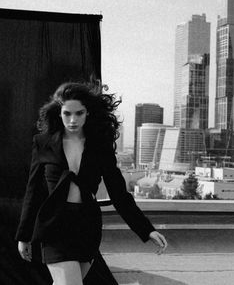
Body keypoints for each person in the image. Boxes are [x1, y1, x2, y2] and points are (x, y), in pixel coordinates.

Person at [15, 81, 168, 285]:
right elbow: (33, 192)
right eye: (67, 113)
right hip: (54, 226)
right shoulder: (43, 143)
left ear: (88, 113)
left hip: (87, 226)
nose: (72, 120)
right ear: (58, 113)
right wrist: (23, 235)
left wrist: (146, 229)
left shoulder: (100, 146)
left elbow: (119, 193)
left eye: (79, 113)